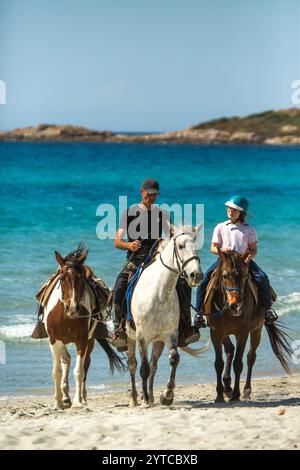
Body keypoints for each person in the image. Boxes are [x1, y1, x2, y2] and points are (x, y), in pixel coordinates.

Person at [111, 178, 200, 350]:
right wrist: (129, 245)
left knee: (183, 284)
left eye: (155, 195)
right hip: (135, 260)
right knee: (120, 284)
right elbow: (116, 241)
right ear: (141, 192)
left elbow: (174, 232)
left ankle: (185, 327)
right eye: (149, 194)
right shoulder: (129, 213)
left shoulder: (162, 213)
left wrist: (189, 231)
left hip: (156, 259)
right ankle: (119, 328)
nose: (151, 197)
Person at [194, 195, 278, 328]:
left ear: (241, 213)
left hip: (243, 262)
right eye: (228, 208)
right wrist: (222, 250)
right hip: (225, 261)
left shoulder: (249, 230)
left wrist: (250, 256)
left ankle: (268, 310)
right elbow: (213, 247)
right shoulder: (220, 227)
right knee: (204, 281)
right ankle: (199, 314)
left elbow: (253, 250)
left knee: (262, 278)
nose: (230, 211)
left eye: (233, 209)